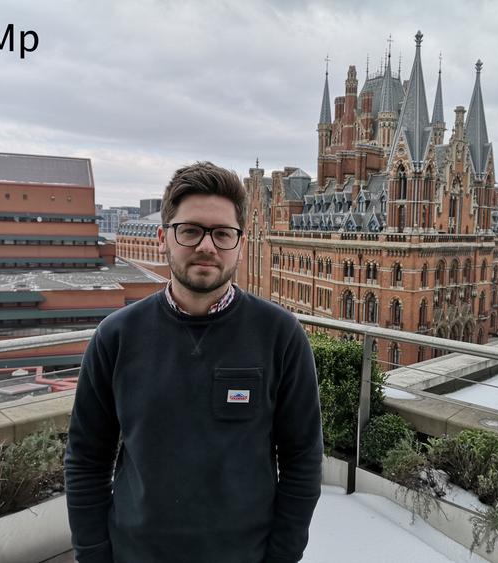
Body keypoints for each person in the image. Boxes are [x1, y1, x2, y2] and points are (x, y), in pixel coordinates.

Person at [65, 162, 323, 563]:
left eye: (222, 233)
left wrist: (281, 556)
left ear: (240, 243)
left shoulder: (281, 335)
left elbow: (302, 459)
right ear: (163, 238)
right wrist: (94, 554)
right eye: (190, 231)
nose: (207, 246)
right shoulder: (115, 337)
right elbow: (85, 459)